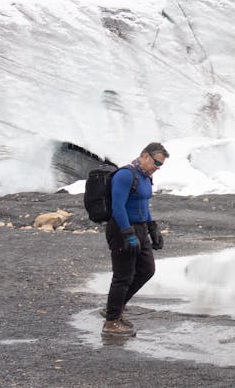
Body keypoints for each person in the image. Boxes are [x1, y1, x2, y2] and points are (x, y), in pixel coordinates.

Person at [101, 142, 167, 337]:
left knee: (147, 270)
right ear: (145, 156)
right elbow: (118, 206)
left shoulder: (145, 176)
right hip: (122, 229)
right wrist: (128, 234)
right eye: (156, 162)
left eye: (161, 165)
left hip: (140, 228)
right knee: (123, 276)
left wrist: (153, 228)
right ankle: (111, 322)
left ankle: (116, 307)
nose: (158, 167)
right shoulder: (125, 175)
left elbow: (143, 204)